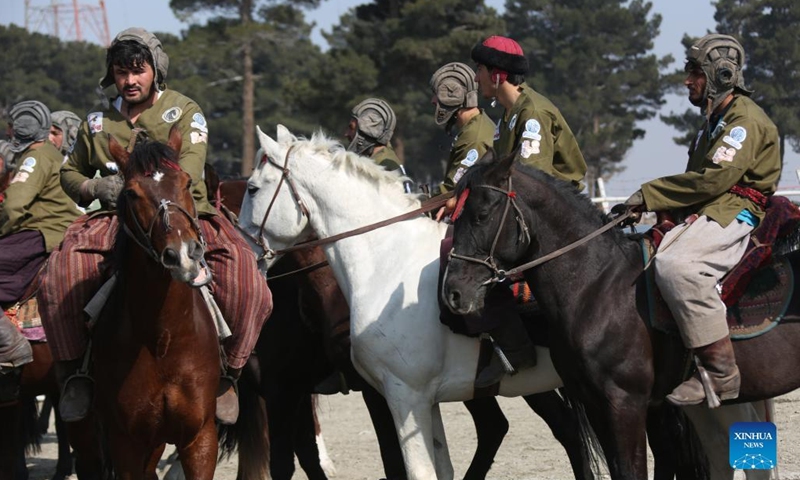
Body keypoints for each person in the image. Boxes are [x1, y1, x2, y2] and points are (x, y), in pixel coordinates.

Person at [38, 28, 273, 424]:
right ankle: (75, 371)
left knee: (250, 281)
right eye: (120, 72)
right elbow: (70, 173)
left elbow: (192, 168)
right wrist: (95, 186)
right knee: (58, 274)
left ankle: (228, 373)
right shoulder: (96, 123)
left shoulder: (184, 110)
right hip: (116, 217)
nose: (129, 81)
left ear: (155, 70)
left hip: (186, 216)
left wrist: (152, 185)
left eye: (138, 71)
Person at [619, 34, 780, 406]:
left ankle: (722, 373)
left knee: (678, 267)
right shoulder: (714, 122)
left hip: (734, 211)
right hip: (712, 208)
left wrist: (648, 195)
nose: (687, 81)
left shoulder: (742, 121)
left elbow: (713, 180)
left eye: (694, 73)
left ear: (720, 75)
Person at [464, 36, 588, 387]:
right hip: (531, 210)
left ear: (498, 75)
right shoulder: (510, 113)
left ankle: (516, 350)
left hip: (553, 217)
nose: (476, 78)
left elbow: (530, 181)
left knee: (478, 262)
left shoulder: (531, 113)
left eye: (480, 70)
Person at [0, 101, 81, 402]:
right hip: (45, 231)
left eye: (11, 126)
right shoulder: (47, 153)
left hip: (42, 233)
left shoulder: (34, 158)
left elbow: (13, 205)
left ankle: (10, 347)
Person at [429, 62, 495, 221]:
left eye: (437, 94)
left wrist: (414, 204)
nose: (433, 101)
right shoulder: (475, 127)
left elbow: (451, 191)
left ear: (453, 96)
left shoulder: (474, 139)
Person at [345, 98, 402, 171]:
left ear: (367, 131)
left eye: (352, 128)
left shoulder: (386, 165)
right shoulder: (378, 161)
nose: (346, 134)